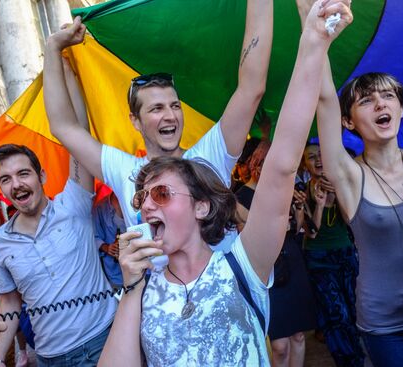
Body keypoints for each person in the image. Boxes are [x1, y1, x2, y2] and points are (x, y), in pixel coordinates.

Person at [97, 1, 353, 365]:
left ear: (202, 206)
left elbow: (281, 164)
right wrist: (132, 286)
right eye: (141, 196)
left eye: (161, 193)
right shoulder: (141, 291)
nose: (145, 205)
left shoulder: (242, 264)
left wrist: (313, 42)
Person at [43, 0, 274, 255]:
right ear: (135, 121)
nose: (170, 116)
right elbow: (64, 126)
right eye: (156, 109)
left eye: (174, 106)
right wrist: (53, 48)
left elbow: (251, 88)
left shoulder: (210, 156)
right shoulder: (125, 171)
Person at [316, 0, 403, 365]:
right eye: (366, 100)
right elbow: (324, 98)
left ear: (400, 109)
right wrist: (314, 30)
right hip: (387, 329)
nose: (381, 103)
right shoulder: (348, 176)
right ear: (349, 122)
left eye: (388, 95)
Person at [0, 142, 116, 366]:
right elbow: (9, 302)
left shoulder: (73, 204)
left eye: (23, 173)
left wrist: (69, 108)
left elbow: (78, 137)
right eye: (6, 179)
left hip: (104, 343)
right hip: (50, 358)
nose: (16, 184)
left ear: (42, 176)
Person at [235, 140, 317, 367]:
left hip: (292, 258)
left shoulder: (281, 190)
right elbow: (246, 239)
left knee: (299, 336)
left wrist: (299, 209)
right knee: (280, 345)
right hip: (268, 268)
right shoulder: (241, 197)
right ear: (257, 165)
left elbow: (298, 228)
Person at [301, 142, 363, 366]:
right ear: (305, 164)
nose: (317, 160)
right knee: (336, 315)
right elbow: (312, 232)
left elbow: (351, 222)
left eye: (320, 154)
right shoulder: (302, 191)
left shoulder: (342, 185)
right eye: (310, 157)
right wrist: (318, 204)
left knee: (355, 309)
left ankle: (357, 349)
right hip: (318, 259)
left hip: (345, 253)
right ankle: (349, 361)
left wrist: (337, 196)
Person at [93, 192, 125, 287]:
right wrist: (107, 247)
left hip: (141, 270)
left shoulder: (140, 202)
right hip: (115, 273)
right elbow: (93, 237)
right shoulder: (100, 207)